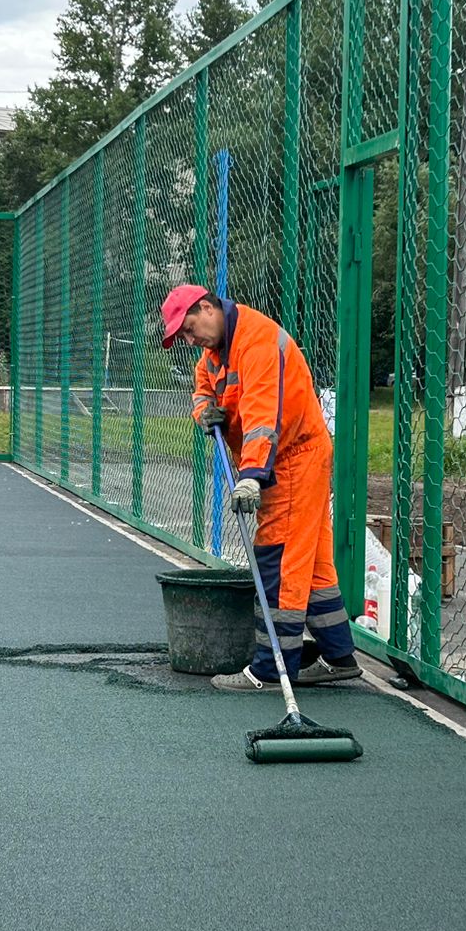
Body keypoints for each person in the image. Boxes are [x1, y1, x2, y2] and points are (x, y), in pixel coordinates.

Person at [159, 284, 361, 690]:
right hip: (288, 457)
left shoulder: (258, 341)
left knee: (279, 558)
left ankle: (272, 670)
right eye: (182, 335)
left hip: (292, 459)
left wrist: (251, 476)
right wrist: (204, 413)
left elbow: (262, 416)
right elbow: (202, 390)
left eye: (188, 327)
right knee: (314, 561)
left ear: (207, 308)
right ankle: (340, 656)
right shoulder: (214, 355)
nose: (188, 339)